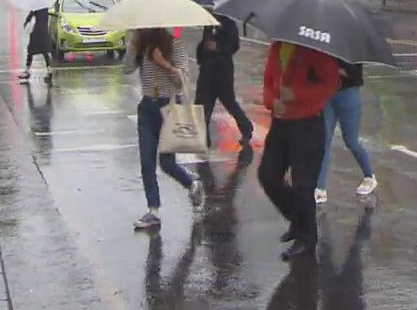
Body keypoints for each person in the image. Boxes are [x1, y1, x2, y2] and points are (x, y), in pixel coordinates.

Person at [258, 41, 342, 260]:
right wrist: (272, 102)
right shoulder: (277, 47)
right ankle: (299, 222)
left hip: (307, 124)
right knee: (268, 175)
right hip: (281, 122)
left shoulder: (316, 50)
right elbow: (268, 81)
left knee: (303, 185)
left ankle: (307, 238)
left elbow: (330, 85)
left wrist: (296, 95)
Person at [124, 27, 203, 230]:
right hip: (147, 107)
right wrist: (133, 48)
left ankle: (191, 183)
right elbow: (126, 69)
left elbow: (182, 79)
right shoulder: (141, 45)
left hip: (168, 106)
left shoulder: (174, 45)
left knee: (167, 163)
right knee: (146, 162)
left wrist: (165, 64)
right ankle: (153, 211)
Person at [315, 60, 376, 204]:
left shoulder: (350, 49)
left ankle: (369, 176)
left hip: (348, 96)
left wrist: (336, 70)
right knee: (324, 141)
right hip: (326, 95)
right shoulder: (323, 46)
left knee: (351, 141)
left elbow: (356, 77)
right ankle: (320, 188)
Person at [196, 14, 253, 147]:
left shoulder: (228, 24)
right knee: (202, 106)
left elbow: (234, 45)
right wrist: (202, 54)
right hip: (207, 70)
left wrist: (218, 48)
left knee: (229, 102)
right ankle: (204, 139)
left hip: (222, 70)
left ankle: (246, 128)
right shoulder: (209, 22)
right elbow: (204, 42)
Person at [18, 7, 53, 85]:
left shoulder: (36, 7)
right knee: (45, 52)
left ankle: (27, 71)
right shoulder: (45, 8)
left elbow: (30, 15)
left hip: (37, 31)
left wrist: (26, 22)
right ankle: (49, 71)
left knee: (31, 51)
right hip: (44, 31)